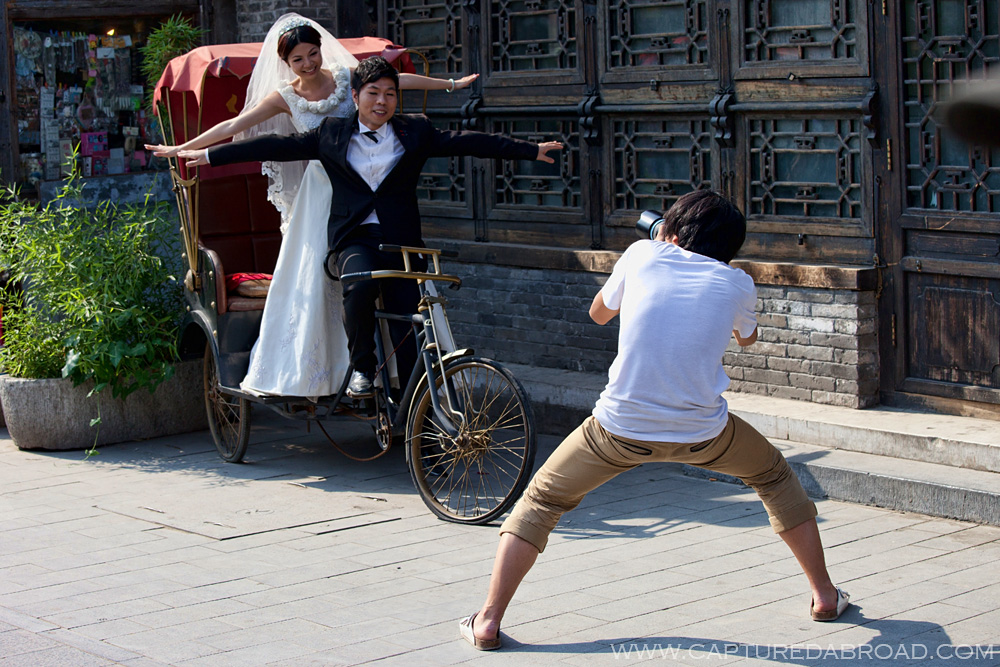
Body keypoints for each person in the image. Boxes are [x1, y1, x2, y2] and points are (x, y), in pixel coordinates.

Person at [458, 190, 850, 651]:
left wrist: (653, 256)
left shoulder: (642, 253)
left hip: (617, 431)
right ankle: (824, 596)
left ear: (673, 232)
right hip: (705, 434)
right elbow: (747, 340)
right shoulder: (738, 282)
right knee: (774, 476)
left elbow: (598, 313)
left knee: (542, 500)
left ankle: (488, 620)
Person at [177, 55, 563, 398]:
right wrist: (210, 155)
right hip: (355, 238)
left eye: (391, 94)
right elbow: (270, 146)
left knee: (409, 324)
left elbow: (470, 141)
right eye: (374, 93)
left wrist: (530, 150)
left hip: (401, 240)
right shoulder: (331, 134)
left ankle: (420, 420)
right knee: (358, 288)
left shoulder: (415, 132)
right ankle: (362, 368)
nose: (383, 102)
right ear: (357, 95)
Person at [147, 13, 477, 400]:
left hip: (361, 186)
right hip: (322, 191)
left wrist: (450, 84)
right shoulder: (285, 96)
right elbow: (235, 126)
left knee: (384, 275)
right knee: (324, 280)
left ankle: (396, 379)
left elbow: (393, 83)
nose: (308, 64)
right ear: (286, 64)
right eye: (298, 59)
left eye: (312, 54)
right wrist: (186, 149)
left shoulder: (343, 78)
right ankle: (331, 372)